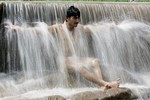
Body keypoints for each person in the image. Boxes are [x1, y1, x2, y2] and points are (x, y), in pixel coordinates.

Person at [5, 6, 120, 90]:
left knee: (95, 61)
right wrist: (20, 29)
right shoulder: (57, 28)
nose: (77, 21)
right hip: (63, 61)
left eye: (78, 18)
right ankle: (105, 83)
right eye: (75, 18)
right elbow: (39, 31)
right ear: (67, 18)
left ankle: (102, 86)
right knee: (80, 67)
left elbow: (93, 28)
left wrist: (110, 26)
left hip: (76, 57)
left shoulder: (78, 27)